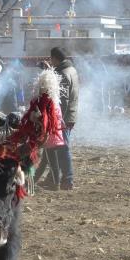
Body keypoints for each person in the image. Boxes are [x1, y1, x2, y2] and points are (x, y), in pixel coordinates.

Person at [50, 47, 78, 190]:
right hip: (70, 114)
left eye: (51, 59)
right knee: (57, 147)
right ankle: (52, 178)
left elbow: (64, 99)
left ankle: (68, 179)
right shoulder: (71, 69)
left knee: (63, 148)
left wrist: (59, 118)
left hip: (64, 117)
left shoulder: (62, 73)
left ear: (55, 58)